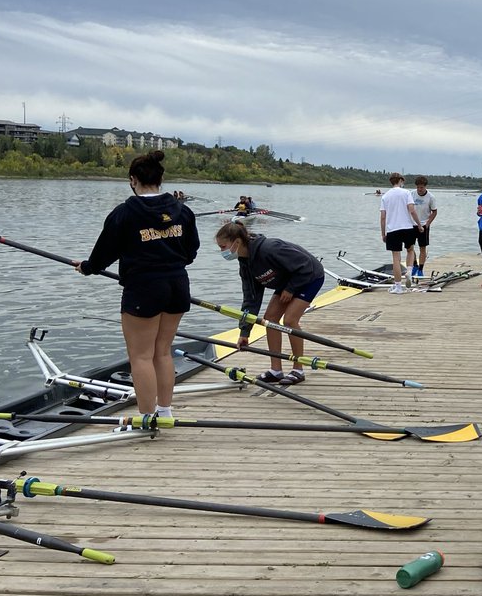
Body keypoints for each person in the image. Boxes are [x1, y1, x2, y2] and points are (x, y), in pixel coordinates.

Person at [75, 150, 199, 416]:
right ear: (161, 179)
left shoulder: (124, 213)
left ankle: (146, 418)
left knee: (141, 356)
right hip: (177, 285)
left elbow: (103, 255)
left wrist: (87, 268)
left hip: (144, 288)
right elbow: (191, 251)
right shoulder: (183, 211)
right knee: (162, 352)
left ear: (133, 180)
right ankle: (164, 412)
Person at [215, 220, 325, 385]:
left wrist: (291, 289)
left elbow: (305, 266)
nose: (222, 251)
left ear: (237, 242)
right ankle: (276, 371)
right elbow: (251, 299)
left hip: (309, 276)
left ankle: (298, 370)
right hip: (287, 281)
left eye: (223, 247)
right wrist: (245, 332)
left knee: (290, 320)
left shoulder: (270, 248)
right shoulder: (245, 264)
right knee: (270, 319)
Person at [380, 172, 424, 293]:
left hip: (392, 229)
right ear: (400, 180)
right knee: (410, 250)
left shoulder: (385, 196)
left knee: (396, 258)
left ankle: (398, 287)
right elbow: (412, 210)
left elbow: (383, 217)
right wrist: (419, 225)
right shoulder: (406, 193)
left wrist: (383, 234)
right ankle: (409, 271)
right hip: (407, 227)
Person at [410, 176, 439, 279]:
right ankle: (414, 264)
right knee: (410, 247)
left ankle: (420, 269)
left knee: (422, 248)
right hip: (411, 224)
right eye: (418, 187)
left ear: (425, 187)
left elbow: (434, 212)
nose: (419, 189)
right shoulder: (411, 194)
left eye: (421, 187)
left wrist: (428, 223)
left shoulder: (431, 197)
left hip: (423, 225)